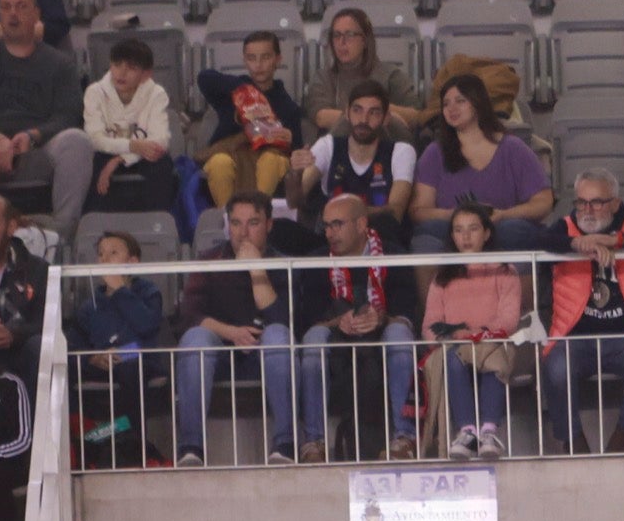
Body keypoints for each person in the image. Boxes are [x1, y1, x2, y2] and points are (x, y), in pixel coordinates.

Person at [534, 168, 624, 454]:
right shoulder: (565, 227)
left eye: (596, 202)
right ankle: (572, 441)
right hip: (574, 338)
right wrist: (575, 244)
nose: (587, 209)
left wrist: (615, 242)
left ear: (615, 203)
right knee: (556, 367)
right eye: (581, 202)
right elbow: (538, 242)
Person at [295, 194, 419, 462]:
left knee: (400, 335)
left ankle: (405, 437)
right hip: (336, 334)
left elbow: (409, 311)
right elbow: (308, 316)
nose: (330, 233)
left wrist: (383, 318)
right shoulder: (316, 259)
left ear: (362, 224)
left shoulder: (394, 254)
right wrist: (337, 320)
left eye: (337, 224)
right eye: (326, 225)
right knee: (313, 339)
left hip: (384, 329)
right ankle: (313, 441)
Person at [173, 190, 293, 466]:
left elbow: (283, 320)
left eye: (252, 223)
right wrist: (231, 332)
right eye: (235, 223)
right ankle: (191, 448)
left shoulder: (283, 262)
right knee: (196, 338)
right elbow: (189, 315)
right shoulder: (210, 260)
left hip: (268, 357)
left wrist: (257, 271)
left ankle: (285, 444)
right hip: (220, 356)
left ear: (269, 225)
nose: (243, 233)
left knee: (277, 336)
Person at [409, 73, 553, 255]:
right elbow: (419, 210)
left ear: (478, 103)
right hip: (454, 230)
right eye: (446, 104)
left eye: (460, 101)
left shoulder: (513, 148)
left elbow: (543, 202)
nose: (451, 108)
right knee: (427, 234)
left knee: (515, 231)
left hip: (501, 227)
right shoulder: (435, 153)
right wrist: (454, 216)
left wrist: (502, 215)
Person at [422, 202, 518, 461]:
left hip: (492, 343)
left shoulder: (505, 270)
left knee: (492, 359)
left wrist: (479, 335)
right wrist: (455, 336)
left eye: (473, 229)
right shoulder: (442, 276)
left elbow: (508, 319)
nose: (465, 237)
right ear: (452, 235)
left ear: (486, 233)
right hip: (454, 345)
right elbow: (430, 325)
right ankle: (467, 433)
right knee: (452, 358)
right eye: (458, 230)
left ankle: (489, 432)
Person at [0, 0, 91, 236]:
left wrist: (33, 135)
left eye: (21, 6)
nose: (13, 14)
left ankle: (62, 232)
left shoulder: (60, 63)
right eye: (6, 7)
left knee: (77, 141)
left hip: (39, 152)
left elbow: (69, 115)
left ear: (37, 14)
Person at [285, 79, 415, 243]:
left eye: (373, 112)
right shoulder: (328, 145)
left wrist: (344, 217)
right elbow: (293, 201)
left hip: (378, 239)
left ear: (386, 118)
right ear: (347, 113)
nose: (363, 119)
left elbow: (395, 212)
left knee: (385, 222)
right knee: (279, 229)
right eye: (357, 110)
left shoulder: (401, 151)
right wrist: (295, 173)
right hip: (332, 240)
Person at [65, 230, 164, 428]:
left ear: (132, 262)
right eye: (101, 254)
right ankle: (81, 436)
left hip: (136, 361)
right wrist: (93, 357)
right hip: (101, 364)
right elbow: (73, 346)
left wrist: (120, 291)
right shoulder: (90, 305)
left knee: (131, 368)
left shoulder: (148, 293)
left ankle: (131, 440)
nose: (104, 260)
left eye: (113, 253)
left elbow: (147, 329)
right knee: (62, 369)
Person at [196, 30, 303, 206]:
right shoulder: (232, 92)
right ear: (244, 60)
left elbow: (298, 149)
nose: (258, 64)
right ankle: (229, 221)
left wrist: (290, 139)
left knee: (270, 161)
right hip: (231, 153)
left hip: (270, 157)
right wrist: (246, 88)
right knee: (218, 163)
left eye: (265, 57)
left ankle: (258, 214)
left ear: (278, 60)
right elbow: (204, 78)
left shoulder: (287, 105)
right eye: (252, 58)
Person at [82, 37, 175, 213]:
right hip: (104, 154)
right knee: (91, 162)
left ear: (146, 74)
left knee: (161, 162)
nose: (121, 73)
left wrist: (121, 159)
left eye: (131, 68)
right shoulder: (94, 92)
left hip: (138, 157)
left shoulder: (156, 93)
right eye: (117, 65)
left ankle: (158, 224)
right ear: (110, 65)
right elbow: (94, 139)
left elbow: (160, 141)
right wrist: (132, 145)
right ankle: (94, 225)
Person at [305, 7, 423, 141]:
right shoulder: (323, 78)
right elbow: (321, 116)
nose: (341, 42)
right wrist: (372, 115)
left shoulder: (390, 74)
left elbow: (416, 116)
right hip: (340, 148)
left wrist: (381, 109)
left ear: (365, 40)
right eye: (336, 35)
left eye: (349, 35)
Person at [0, 193, 49, 394]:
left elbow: (46, 322)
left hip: (18, 353)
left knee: (38, 346)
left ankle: (35, 424)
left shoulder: (36, 269)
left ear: (11, 227)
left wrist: (13, 335)